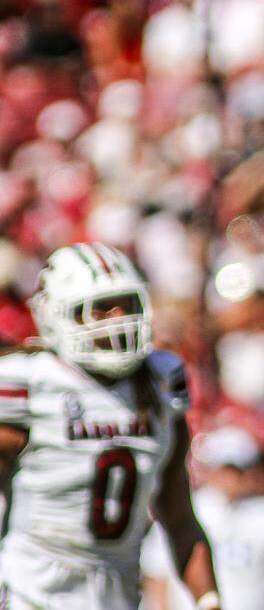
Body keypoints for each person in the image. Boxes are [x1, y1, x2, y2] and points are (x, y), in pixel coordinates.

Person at [0, 243, 221, 610]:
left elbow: (178, 511)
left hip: (117, 591)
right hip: (31, 592)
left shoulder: (161, 381)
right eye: (100, 309)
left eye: (126, 304)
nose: (118, 318)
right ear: (57, 316)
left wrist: (209, 600)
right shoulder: (31, 383)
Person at [141, 426, 264, 610]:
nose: (231, 477)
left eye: (238, 469)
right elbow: (156, 575)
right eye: (225, 468)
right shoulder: (186, 509)